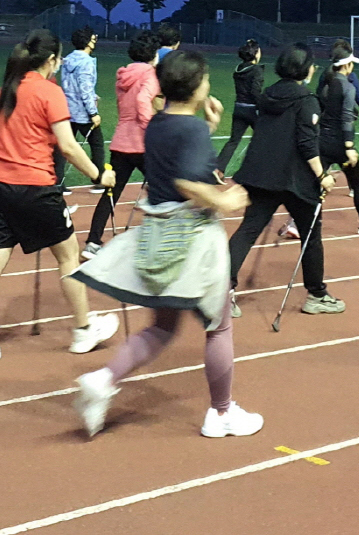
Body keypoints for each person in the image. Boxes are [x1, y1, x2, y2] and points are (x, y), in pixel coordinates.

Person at [71, 50, 263, 439]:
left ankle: (104, 379)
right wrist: (225, 200)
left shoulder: (159, 123)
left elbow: (180, 160)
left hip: (158, 235)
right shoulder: (189, 130)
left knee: (161, 327)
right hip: (193, 239)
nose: (209, 84)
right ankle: (221, 412)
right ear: (195, 87)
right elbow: (187, 182)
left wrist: (207, 126)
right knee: (218, 326)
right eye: (205, 79)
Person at [0, 30, 120, 366]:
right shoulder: (49, 92)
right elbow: (69, 146)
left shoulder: (7, 89)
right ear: (52, 60)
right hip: (34, 186)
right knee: (69, 256)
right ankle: (84, 330)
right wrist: (98, 175)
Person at [227, 43, 345, 317]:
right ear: (305, 69)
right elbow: (307, 143)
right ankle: (316, 295)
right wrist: (322, 175)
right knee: (311, 237)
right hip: (295, 180)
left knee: (247, 231)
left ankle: (223, 291)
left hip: (261, 174)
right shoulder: (307, 100)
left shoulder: (268, 95)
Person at [83, 32, 160, 259]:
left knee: (111, 193)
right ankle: (160, 241)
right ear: (153, 54)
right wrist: (150, 128)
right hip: (142, 143)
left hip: (121, 141)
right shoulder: (150, 75)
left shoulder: (123, 75)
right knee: (165, 191)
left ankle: (92, 242)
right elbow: (142, 101)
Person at [316, 41, 359, 235]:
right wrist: (349, 146)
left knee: (315, 185)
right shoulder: (348, 87)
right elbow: (346, 118)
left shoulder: (326, 82)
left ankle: (296, 222)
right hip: (339, 144)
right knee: (358, 186)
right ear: (346, 65)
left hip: (322, 140)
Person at [53, 26, 105, 192]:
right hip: (82, 112)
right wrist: (93, 112)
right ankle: (99, 179)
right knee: (97, 143)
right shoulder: (86, 62)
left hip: (67, 109)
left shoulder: (68, 60)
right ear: (88, 42)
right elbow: (85, 89)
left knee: (63, 146)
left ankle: (57, 182)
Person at [215, 39, 263, 174]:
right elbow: (255, 92)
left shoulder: (238, 69)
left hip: (239, 108)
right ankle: (260, 170)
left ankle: (218, 170)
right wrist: (263, 106)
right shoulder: (256, 70)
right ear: (255, 54)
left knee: (233, 141)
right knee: (264, 138)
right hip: (252, 110)